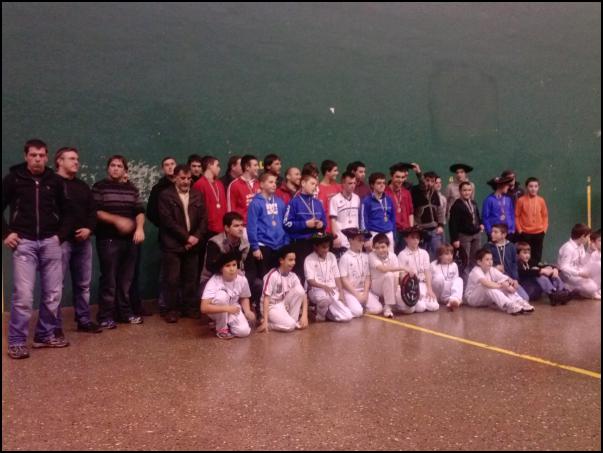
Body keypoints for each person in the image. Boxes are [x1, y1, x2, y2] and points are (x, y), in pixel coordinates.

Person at [3, 139, 70, 359]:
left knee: (53, 294)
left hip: (51, 243)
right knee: (23, 296)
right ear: (26, 156)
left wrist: (59, 236)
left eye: (41, 155)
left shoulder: (55, 181)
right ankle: (16, 341)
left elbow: (68, 211)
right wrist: (6, 233)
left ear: (47, 157)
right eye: (33, 155)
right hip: (24, 243)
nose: (38, 159)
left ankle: (44, 335)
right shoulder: (14, 179)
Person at [51, 147, 101, 335]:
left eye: (77, 159)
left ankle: (84, 320)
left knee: (83, 285)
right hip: (61, 243)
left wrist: (89, 229)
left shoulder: (82, 186)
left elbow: (92, 211)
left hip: (83, 242)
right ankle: (54, 326)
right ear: (59, 161)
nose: (76, 162)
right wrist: (59, 235)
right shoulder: (51, 184)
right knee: (56, 286)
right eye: (72, 158)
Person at [92, 155, 146, 328]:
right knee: (109, 280)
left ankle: (125, 313)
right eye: (113, 165)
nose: (116, 168)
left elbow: (139, 210)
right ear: (108, 168)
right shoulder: (99, 187)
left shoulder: (132, 189)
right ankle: (105, 316)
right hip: (108, 240)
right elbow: (96, 211)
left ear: (125, 170)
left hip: (130, 241)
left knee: (126, 280)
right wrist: (117, 220)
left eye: (119, 166)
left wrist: (139, 228)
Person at [158, 165, 206, 322]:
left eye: (189, 178)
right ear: (175, 178)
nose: (186, 182)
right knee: (172, 279)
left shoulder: (197, 195)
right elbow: (167, 221)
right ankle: (171, 310)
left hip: (193, 244)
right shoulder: (165, 196)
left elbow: (203, 219)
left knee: (191, 279)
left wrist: (196, 237)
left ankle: (189, 308)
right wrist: (186, 238)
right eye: (182, 178)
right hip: (173, 244)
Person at [246, 172, 289, 311]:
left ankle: (277, 307)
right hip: (263, 246)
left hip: (279, 245)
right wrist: (255, 247)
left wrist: (286, 242)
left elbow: (284, 223)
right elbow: (252, 226)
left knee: (278, 278)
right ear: (261, 184)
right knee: (265, 280)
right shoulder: (255, 203)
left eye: (275, 182)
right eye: (270, 182)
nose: (274, 184)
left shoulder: (280, 202)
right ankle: (261, 310)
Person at [201, 252, 256, 339]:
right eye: (228, 266)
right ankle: (221, 329)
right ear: (221, 269)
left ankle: (227, 324)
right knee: (222, 296)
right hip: (216, 310)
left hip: (233, 308)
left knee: (244, 332)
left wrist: (247, 311)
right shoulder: (214, 281)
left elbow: (244, 297)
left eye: (234, 265)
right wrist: (227, 308)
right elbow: (204, 307)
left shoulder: (242, 279)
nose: (232, 269)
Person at [283, 173, 327, 282]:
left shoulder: (318, 203)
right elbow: (286, 223)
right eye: (312, 184)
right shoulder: (294, 202)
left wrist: (321, 224)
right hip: (300, 243)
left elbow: (325, 223)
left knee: (317, 273)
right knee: (302, 274)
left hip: (316, 243)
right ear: (303, 183)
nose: (315, 187)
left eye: (316, 185)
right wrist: (305, 224)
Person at [464, 249, 534, 315]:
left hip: (486, 300)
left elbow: (506, 278)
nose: (490, 262)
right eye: (487, 259)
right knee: (488, 286)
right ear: (479, 262)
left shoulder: (491, 269)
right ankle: (508, 305)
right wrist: (502, 285)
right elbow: (485, 283)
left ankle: (519, 301)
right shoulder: (476, 271)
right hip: (473, 299)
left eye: (491, 259)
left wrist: (512, 282)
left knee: (503, 282)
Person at [257, 246, 309, 333]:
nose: (293, 263)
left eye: (294, 260)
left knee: (299, 290)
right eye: (290, 260)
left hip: (283, 304)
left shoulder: (293, 275)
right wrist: (265, 321)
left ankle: (291, 321)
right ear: (281, 260)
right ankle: (269, 324)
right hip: (271, 307)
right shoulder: (272, 275)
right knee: (291, 326)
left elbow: (303, 295)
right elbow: (266, 298)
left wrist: (305, 316)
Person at [305, 232, 353, 322]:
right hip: (317, 290)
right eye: (323, 247)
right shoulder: (309, 259)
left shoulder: (332, 256)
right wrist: (324, 286)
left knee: (348, 316)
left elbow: (337, 276)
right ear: (315, 246)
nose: (326, 250)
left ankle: (324, 312)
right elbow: (310, 281)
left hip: (332, 290)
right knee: (325, 300)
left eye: (328, 247)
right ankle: (319, 315)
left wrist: (341, 293)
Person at [338, 228, 382, 317]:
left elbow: (367, 276)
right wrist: (356, 294)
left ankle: (361, 306)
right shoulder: (345, 258)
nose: (362, 243)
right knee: (357, 312)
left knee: (378, 309)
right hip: (350, 292)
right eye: (359, 240)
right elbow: (343, 279)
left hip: (363, 290)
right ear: (350, 240)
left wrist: (365, 293)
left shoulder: (365, 256)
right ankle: (349, 306)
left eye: (363, 240)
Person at [200, 212, 250, 289]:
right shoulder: (215, 242)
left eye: (242, 225)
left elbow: (250, 268)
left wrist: (243, 280)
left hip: (237, 278)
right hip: (212, 278)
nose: (241, 229)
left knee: (257, 284)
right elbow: (211, 267)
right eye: (236, 226)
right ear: (227, 228)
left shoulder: (245, 243)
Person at [368, 233, 413, 318]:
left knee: (409, 309)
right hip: (376, 287)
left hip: (391, 286)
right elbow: (383, 269)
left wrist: (393, 293)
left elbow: (396, 278)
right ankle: (387, 308)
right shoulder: (371, 255)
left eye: (383, 247)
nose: (380, 250)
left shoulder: (393, 256)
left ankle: (390, 303)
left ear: (388, 246)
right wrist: (403, 267)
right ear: (374, 248)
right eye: (377, 248)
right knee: (388, 275)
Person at [397, 227, 440, 312]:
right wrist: (410, 289)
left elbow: (427, 272)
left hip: (423, 284)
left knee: (434, 306)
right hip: (412, 287)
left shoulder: (424, 253)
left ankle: (424, 299)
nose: (416, 240)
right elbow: (401, 276)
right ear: (406, 239)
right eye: (412, 237)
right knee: (421, 308)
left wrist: (429, 289)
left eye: (417, 238)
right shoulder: (402, 254)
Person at [485, 223, 530, 301]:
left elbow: (514, 264)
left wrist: (515, 279)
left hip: (510, 279)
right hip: (496, 280)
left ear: (504, 235)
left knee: (525, 298)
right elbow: (484, 264)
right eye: (492, 232)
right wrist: (494, 267)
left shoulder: (511, 246)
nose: (492, 234)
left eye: (495, 232)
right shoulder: (488, 246)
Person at [557, 224, 600, 299]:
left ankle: (592, 291)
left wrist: (589, 252)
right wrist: (579, 273)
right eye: (588, 236)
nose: (588, 239)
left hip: (578, 273)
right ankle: (570, 287)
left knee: (598, 268)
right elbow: (563, 267)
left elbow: (582, 262)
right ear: (582, 236)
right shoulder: (568, 248)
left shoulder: (580, 245)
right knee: (591, 287)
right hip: (568, 277)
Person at [410, 169, 445, 260]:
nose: (429, 183)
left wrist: (440, 225)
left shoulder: (435, 193)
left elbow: (440, 211)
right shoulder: (416, 191)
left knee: (437, 254)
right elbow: (411, 212)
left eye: (432, 181)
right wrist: (416, 227)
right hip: (421, 230)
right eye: (427, 180)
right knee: (420, 256)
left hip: (434, 230)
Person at [448, 181, 483, 267]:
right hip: (464, 236)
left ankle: (474, 275)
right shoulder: (456, 205)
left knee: (476, 258)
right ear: (460, 191)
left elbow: (477, 216)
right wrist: (455, 239)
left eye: (469, 190)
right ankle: (465, 275)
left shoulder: (473, 203)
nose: (467, 192)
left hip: (476, 234)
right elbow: (453, 223)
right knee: (465, 259)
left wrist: (480, 224)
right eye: (464, 190)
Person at [515, 177, 549, 266]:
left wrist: (544, 230)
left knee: (537, 255)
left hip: (539, 233)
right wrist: (520, 230)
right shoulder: (521, 200)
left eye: (535, 186)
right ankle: (526, 271)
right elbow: (517, 216)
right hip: (525, 233)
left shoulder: (541, 200)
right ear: (526, 187)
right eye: (531, 186)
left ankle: (536, 270)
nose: (533, 189)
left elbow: (545, 216)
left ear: (538, 187)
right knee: (525, 255)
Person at [361, 172, 396, 253]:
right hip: (374, 235)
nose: (382, 185)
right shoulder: (366, 201)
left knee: (390, 259)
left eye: (384, 183)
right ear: (372, 185)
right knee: (374, 259)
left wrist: (393, 236)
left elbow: (393, 219)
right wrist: (366, 238)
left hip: (389, 234)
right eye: (379, 183)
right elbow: (363, 221)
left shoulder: (389, 200)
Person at [385, 163, 414, 254]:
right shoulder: (385, 193)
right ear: (391, 176)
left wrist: (411, 230)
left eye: (402, 177)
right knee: (391, 256)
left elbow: (410, 213)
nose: (400, 180)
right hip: (391, 231)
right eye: (397, 177)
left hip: (405, 231)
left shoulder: (406, 193)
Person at [329, 171, 361, 253]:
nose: (353, 185)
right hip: (341, 237)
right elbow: (333, 220)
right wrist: (335, 237)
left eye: (354, 183)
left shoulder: (357, 198)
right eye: (350, 183)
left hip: (355, 237)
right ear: (343, 184)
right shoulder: (335, 199)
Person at [226, 154, 260, 227]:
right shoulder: (234, 185)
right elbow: (231, 210)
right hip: (243, 227)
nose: (258, 168)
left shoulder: (259, 184)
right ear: (247, 167)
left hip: (259, 225)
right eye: (255, 165)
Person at [146, 156, 177, 228]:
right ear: (163, 169)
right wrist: (163, 226)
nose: (170, 167)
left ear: (176, 166)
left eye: (172, 164)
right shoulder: (157, 189)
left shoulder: (185, 185)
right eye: (167, 165)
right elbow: (150, 213)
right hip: (166, 230)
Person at [430, 244, 464, 310]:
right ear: (440, 255)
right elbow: (430, 282)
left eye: (451, 254)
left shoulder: (454, 265)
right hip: (436, 293)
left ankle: (454, 300)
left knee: (459, 279)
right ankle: (437, 300)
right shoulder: (433, 265)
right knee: (439, 278)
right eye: (447, 254)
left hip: (447, 294)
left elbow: (455, 284)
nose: (450, 256)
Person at [482, 175, 515, 240]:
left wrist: (512, 228)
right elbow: (485, 218)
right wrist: (490, 232)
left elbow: (512, 214)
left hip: (508, 232)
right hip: (495, 233)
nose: (508, 187)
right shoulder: (489, 200)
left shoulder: (508, 199)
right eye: (507, 185)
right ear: (500, 186)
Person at [317, 160, 341, 232]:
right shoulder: (317, 189)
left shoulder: (339, 187)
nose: (337, 173)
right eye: (335, 171)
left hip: (338, 228)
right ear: (327, 172)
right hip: (324, 229)